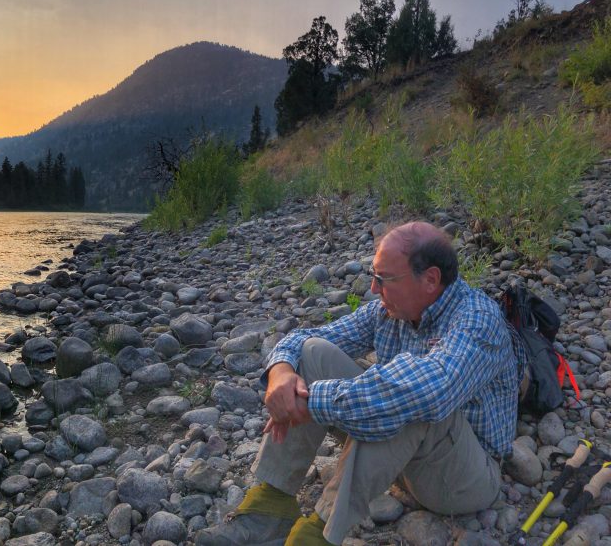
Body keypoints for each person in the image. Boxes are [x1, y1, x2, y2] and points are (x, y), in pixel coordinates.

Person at [196, 221, 521, 546]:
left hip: (462, 478)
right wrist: (281, 370)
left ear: (430, 280)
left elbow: (428, 391)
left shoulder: (478, 320)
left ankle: (317, 536)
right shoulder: (391, 310)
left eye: (383, 279)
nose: (373, 289)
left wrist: (312, 402)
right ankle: (271, 506)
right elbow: (306, 338)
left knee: (405, 397)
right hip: (402, 458)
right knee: (313, 355)